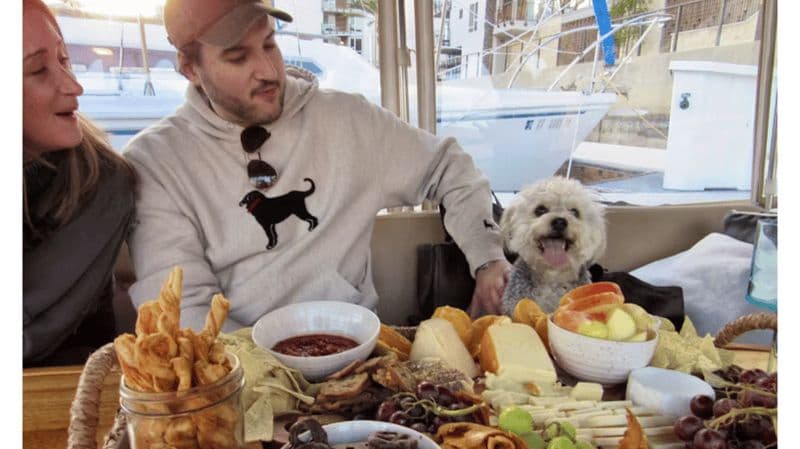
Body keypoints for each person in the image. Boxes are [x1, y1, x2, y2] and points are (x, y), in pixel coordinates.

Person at [124, 0, 511, 331]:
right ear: (190, 69)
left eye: (269, 44)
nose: (268, 70)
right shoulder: (156, 163)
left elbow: (450, 167)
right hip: (241, 370)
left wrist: (488, 259)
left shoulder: (348, 119)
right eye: (238, 57)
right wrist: (264, 378)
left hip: (355, 348)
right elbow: (182, 309)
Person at [23, 0, 136, 366]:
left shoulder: (99, 183)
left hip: (68, 388)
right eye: (38, 70)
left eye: (64, 59)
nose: (74, 85)